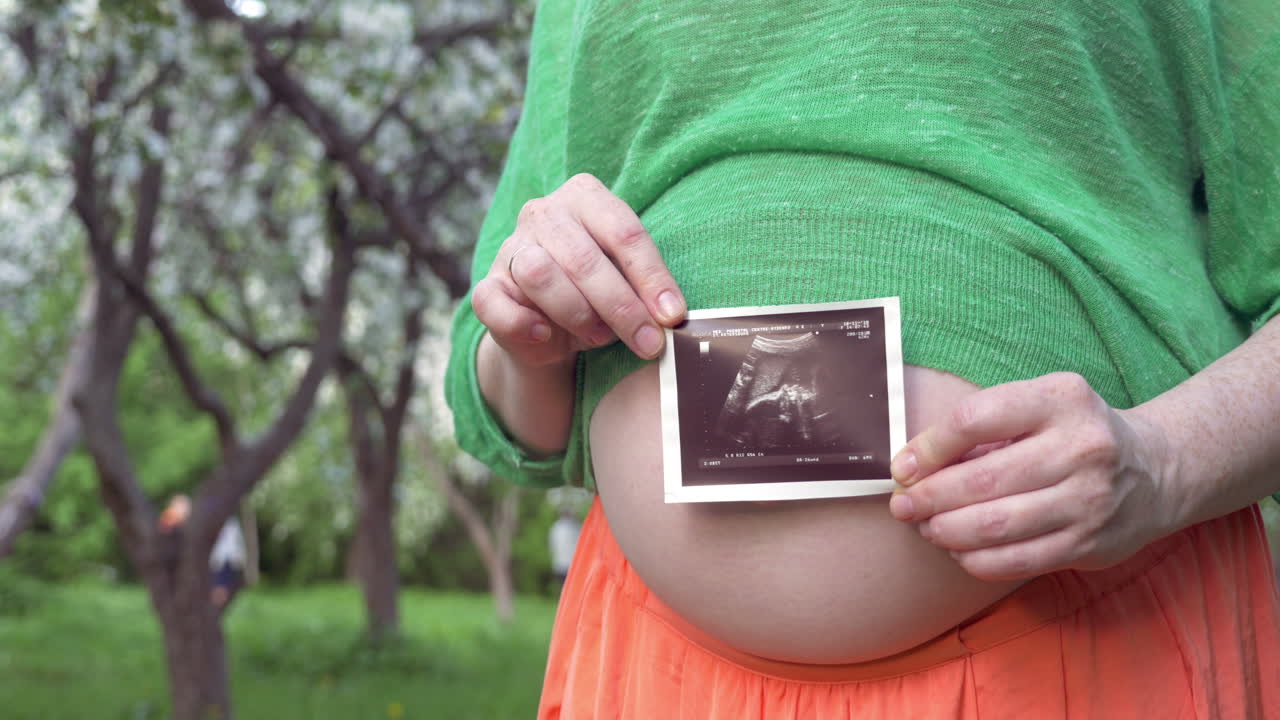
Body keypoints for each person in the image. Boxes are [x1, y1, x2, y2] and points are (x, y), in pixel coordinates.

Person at [445, 1, 1280, 717]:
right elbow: (503, 395)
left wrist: (1163, 461)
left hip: (1087, 651)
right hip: (652, 673)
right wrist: (529, 336)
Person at [158, 494, 247, 614]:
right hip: (216, 562)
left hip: (222, 561)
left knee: (218, 595)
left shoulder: (215, 520)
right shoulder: (176, 520)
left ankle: (210, 617)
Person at [548, 506, 582, 590]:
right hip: (571, 564)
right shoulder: (574, 527)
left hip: (559, 564)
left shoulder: (555, 527)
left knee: (563, 589)